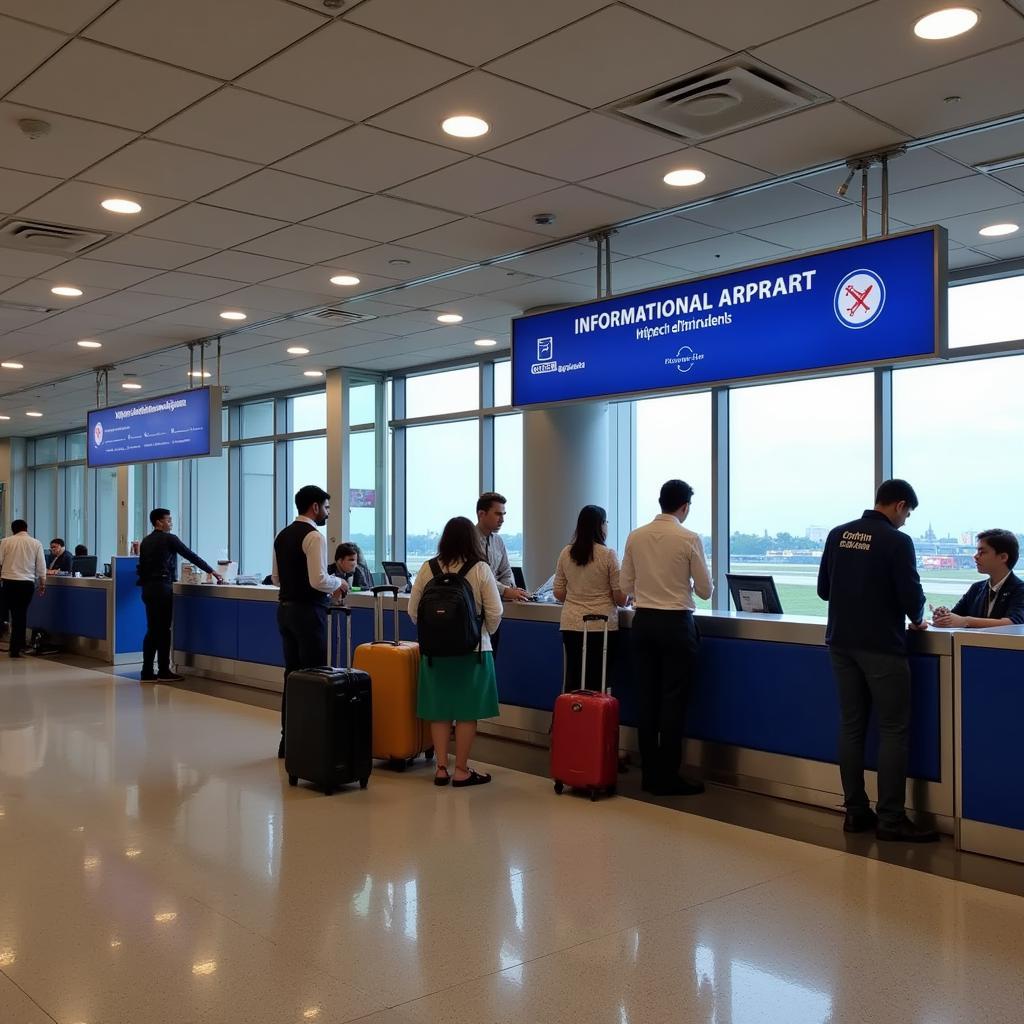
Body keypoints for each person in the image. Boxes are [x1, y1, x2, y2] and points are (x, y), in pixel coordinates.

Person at [817, 479, 937, 843]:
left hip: (840, 642)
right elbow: (910, 594)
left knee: (852, 726)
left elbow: (824, 590)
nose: (906, 521)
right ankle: (891, 818)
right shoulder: (896, 541)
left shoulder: (838, 534)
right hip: (882, 647)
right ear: (899, 505)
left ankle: (855, 813)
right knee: (893, 730)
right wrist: (918, 618)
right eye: (908, 514)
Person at [620, 480, 712, 797]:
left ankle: (649, 773)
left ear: (660, 502)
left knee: (646, 698)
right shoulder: (689, 538)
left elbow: (625, 584)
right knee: (674, 700)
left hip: (643, 623)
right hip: (676, 625)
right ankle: (668, 775)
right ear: (684, 507)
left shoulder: (636, 536)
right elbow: (705, 590)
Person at [408, 516, 502, 788]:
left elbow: (413, 612)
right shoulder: (481, 569)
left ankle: (440, 768)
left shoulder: (428, 568)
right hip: (472, 651)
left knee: (439, 711)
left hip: (435, 653)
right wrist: (481, 632)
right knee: (465, 712)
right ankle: (461, 769)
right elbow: (495, 613)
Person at [272, 485, 345, 758]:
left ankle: (287, 740)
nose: (327, 513)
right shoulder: (314, 536)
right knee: (314, 676)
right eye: (326, 507)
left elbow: (276, 577)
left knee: (291, 675)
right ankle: (312, 742)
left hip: (285, 610)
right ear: (314, 507)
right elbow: (318, 580)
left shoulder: (282, 535)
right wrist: (340, 582)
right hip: (308, 612)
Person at [137, 508, 222, 683]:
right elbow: (190, 555)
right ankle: (163, 670)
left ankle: (146, 671)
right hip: (162, 588)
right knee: (164, 630)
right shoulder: (169, 539)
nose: (171, 523)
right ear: (159, 522)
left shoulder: (146, 541)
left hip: (147, 589)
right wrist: (212, 571)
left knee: (152, 629)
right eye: (168, 520)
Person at [553, 505, 628, 692]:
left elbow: (558, 592)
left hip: (571, 624)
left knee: (574, 677)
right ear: (601, 525)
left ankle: (574, 718)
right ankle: (595, 720)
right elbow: (620, 598)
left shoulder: (566, 553)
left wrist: (578, 593)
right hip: (602, 625)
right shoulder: (608, 554)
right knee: (598, 679)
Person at [932, 529, 1024, 628]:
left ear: (1003, 557)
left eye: (982, 552)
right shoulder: (976, 588)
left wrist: (966, 621)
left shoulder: (1020, 589)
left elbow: (1014, 623)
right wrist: (943, 617)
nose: (975, 556)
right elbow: (956, 616)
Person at [474, 492, 529, 656]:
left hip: (493, 612)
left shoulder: (498, 541)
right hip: (474, 612)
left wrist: (507, 588)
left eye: (503, 514)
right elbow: (479, 576)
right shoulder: (468, 540)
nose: (502, 520)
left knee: (491, 659)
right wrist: (505, 591)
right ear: (481, 514)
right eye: (498, 514)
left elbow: (506, 571)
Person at [0, 520, 46, 658]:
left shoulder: (5, 541)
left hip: (9, 582)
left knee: (11, 613)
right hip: (26, 583)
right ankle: (18, 647)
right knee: (21, 614)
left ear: (12, 529)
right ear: (26, 528)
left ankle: (14, 646)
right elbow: (41, 566)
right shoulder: (36, 543)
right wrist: (43, 584)